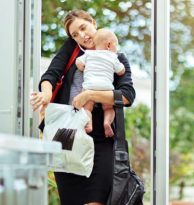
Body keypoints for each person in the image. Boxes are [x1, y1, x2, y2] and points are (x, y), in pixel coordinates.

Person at [30, 9, 135, 205]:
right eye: (75, 34)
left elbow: (127, 96)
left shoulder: (116, 58)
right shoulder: (73, 50)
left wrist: (89, 95)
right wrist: (45, 93)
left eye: (83, 28)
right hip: (67, 136)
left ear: (92, 22)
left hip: (102, 140)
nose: (82, 36)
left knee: (97, 200)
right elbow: (51, 74)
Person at [75, 28, 125, 137]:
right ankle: (107, 123)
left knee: (87, 107)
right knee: (108, 108)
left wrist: (83, 67)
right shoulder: (113, 56)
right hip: (106, 88)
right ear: (109, 45)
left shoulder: (89, 54)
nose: (116, 49)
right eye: (116, 46)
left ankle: (89, 124)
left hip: (89, 86)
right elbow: (121, 71)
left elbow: (78, 62)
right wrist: (121, 70)